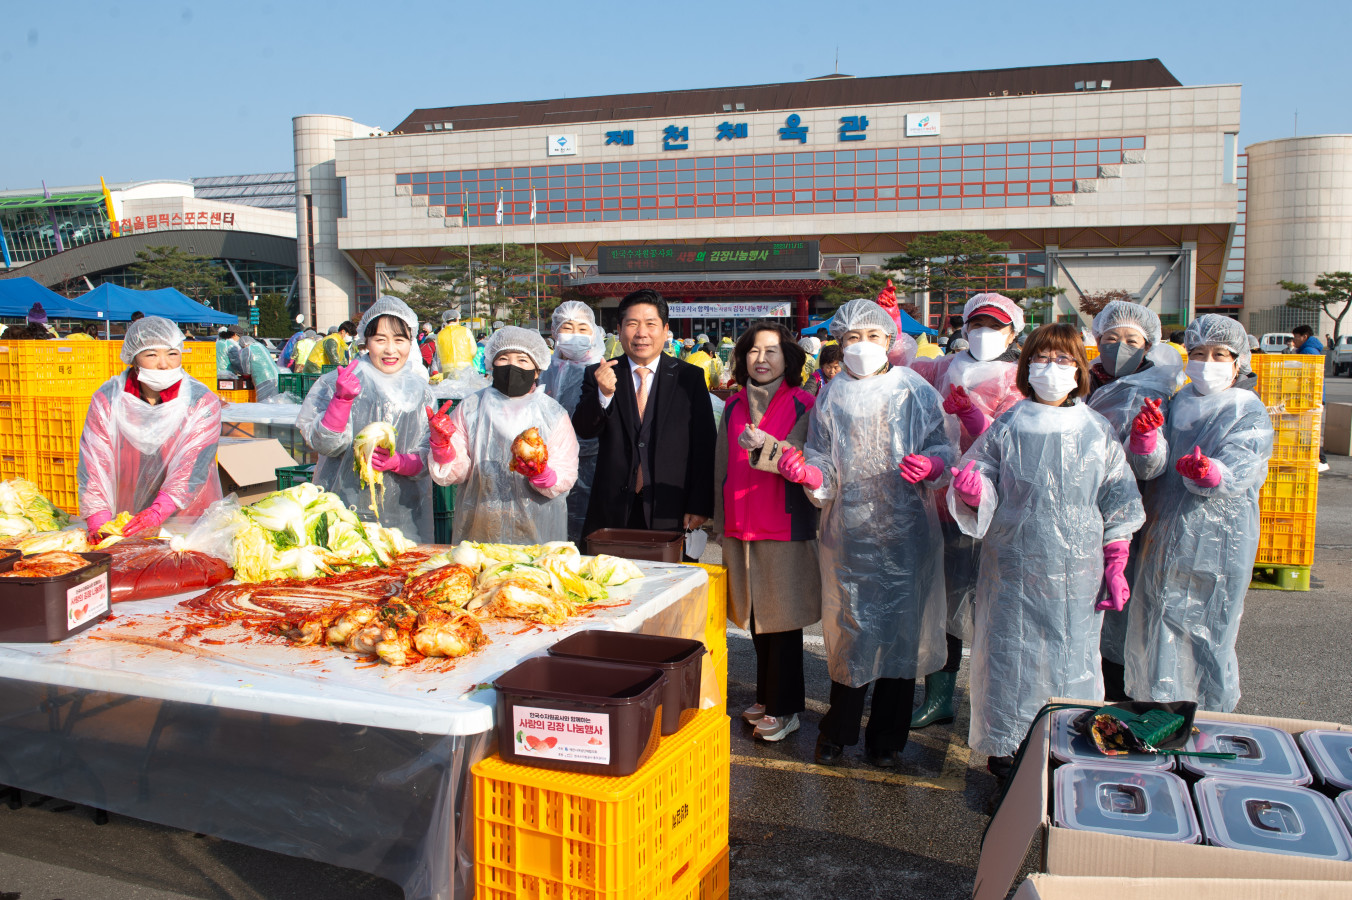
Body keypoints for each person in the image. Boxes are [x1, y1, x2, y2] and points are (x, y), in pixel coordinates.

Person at [949, 323, 1144, 780]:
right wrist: (974, 491)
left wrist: (1116, 563)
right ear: (1026, 366)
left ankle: (1064, 763)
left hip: (1077, 576)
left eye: (1062, 360)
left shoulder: (1097, 431)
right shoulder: (1009, 426)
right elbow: (980, 475)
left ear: (1079, 370)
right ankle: (1007, 764)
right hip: (1012, 570)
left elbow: (1119, 501)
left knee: (1071, 662)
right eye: (1041, 359)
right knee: (1009, 662)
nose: (1051, 369)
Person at [783, 298, 956, 767]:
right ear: (840, 343)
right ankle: (838, 732)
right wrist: (814, 477)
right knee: (852, 633)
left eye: (873, 337)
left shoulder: (914, 390)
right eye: (852, 338)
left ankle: (886, 741)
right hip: (851, 536)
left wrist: (935, 463)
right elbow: (821, 456)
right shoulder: (832, 395)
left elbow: (943, 444)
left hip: (908, 535)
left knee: (901, 637)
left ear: (891, 341)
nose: (862, 346)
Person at [1123, 314, 1275, 712]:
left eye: (1219, 354)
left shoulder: (1246, 408)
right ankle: (1156, 711)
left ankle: (1209, 717)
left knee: (1209, 630)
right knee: (1158, 624)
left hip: (1219, 540)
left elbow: (1243, 466)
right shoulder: (1178, 401)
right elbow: (1152, 467)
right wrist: (1144, 438)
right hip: (1163, 529)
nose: (1207, 362)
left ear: (1239, 361)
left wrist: (1212, 473)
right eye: (1198, 353)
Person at [907, 292, 1026, 730]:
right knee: (941, 608)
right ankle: (940, 697)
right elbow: (901, 361)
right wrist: (890, 320)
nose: (984, 334)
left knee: (991, 610)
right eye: (977, 324)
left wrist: (976, 422)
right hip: (937, 503)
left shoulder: (1019, 379)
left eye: (995, 326)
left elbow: (1016, 446)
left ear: (1014, 332)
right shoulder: (943, 367)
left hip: (990, 510)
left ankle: (995, 698)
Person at [713, 323, 821, 743]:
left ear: (788, 359)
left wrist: (766, 446)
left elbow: (799, 455)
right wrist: (718, 521)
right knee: (757, 619)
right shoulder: (734, 404)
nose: (761, 359)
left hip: (783, 525)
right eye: (754, 351)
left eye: (772, 351)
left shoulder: (803, 403)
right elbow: (722, 465)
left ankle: (786, 706)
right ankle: (766, 695)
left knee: (783, 621)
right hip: (742, 524)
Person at [1084, 301, 1185, 700]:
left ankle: (1116, 700)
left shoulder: (1157, 391)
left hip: (1130, 515)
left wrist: (1143, 439)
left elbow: (1149, 468)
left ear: (1149, 345)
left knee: (1119, 609)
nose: (1120, 346)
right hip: (1076, 509)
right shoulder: (1081, 380)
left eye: (1131, 340)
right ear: (1097, 340)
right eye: (1111, 338)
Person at [572, 289, 716, 542]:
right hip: (612, 510)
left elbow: (704, 446)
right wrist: (603, 395)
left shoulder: (689, 378)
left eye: (651, 324)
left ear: (665, 330)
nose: (641, 333)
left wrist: (700, 504)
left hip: (670, 508)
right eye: (632, 324)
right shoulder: (600, 373)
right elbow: (584, 429)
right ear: (619, 329)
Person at [296, 297, 436, 542]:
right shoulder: (337, 383)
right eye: (380, 340)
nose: (390, 350)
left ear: (411, 342)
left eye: (399, 340)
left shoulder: (421, 391)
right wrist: (342, 399)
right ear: (365, 341)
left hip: (403, 514)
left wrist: (399, 462)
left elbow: (427, 458)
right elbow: (325, 444)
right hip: (342, 512)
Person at [429, 326, 579, 543]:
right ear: (491, 364)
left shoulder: (552, 414)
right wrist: (442, 448)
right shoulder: (471, 407)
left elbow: (565, 471)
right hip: (480, 525)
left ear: (537, 370)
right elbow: (455, 473)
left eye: (522, 361)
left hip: (538, 525)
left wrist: (543, 474)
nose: (512, 366)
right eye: (503, 359)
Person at [78, 316, 224, 538]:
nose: (164, 364)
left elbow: (193, 465)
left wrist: (158, 512)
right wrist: (98, 519)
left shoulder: (201, 401)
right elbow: (95, 462)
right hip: (126, 515)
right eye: (152, 355)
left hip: (188, 515)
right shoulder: (108, 400)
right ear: (134, 358)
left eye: (172, 354)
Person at [539, 301, 605, 542]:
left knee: (584, 524)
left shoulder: (603, 369)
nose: (574, 335)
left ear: (594, 333)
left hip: (591, 459)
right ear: (555, 332)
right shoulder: (544, 368)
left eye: (582, 328)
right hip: (548, 462)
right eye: (567, 328)